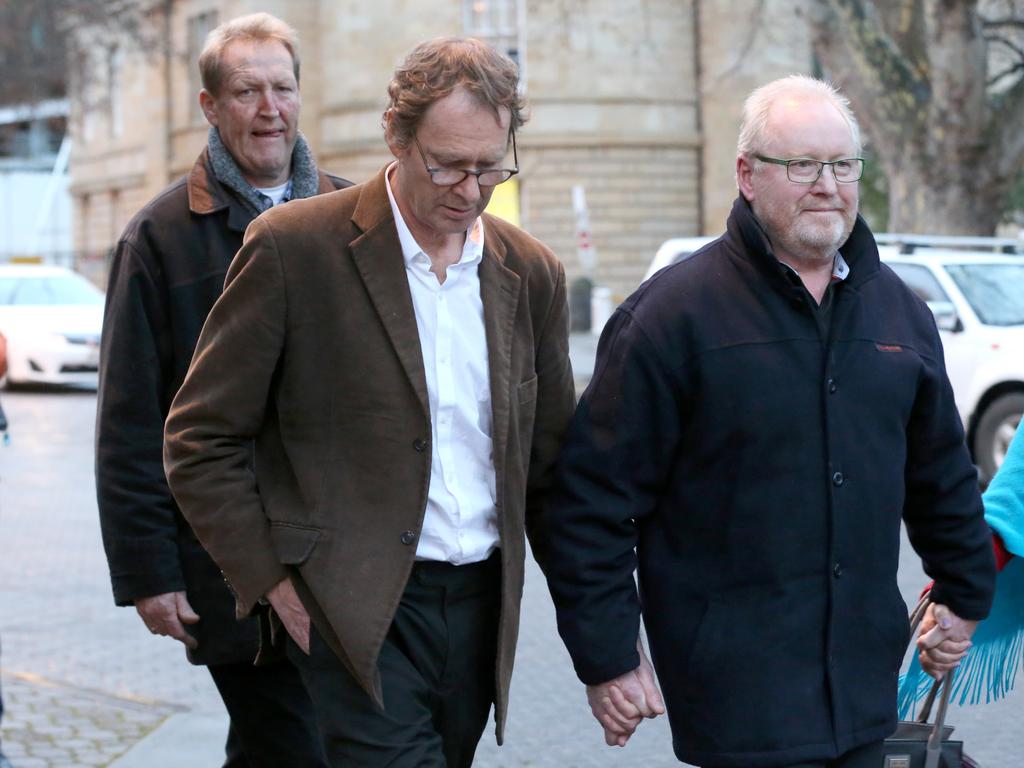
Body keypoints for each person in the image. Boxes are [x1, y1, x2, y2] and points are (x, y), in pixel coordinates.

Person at [542, 75, 997, 768]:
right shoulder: (671, 318)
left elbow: (941, 475)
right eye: (802, 165)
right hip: (737, 701)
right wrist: (608, 657)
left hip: (866, 692)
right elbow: (589, 505)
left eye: (843, 165)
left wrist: (964, 596)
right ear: (747, 175)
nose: (827, 185)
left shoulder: (899, 314)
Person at [163, 37, 576, 768]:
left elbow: (551, 472)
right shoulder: (295, 248)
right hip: (353, 604)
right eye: (446, 163)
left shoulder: (531, 272)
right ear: (396, 134)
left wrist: (605, 642)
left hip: (480, 607)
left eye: (489, 167)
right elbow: (200, 438)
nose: (469, 188)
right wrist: (267, 579)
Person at [94, 13, 350, 767]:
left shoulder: (355, 216)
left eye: (282, 88)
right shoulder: (160, 237)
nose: (269, 108)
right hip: (226, 561)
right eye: (247, 91)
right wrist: (148, 573)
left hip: (342, 556)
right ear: (210, 106)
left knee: (298, 746)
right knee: (292, 743)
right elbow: (130, 421)